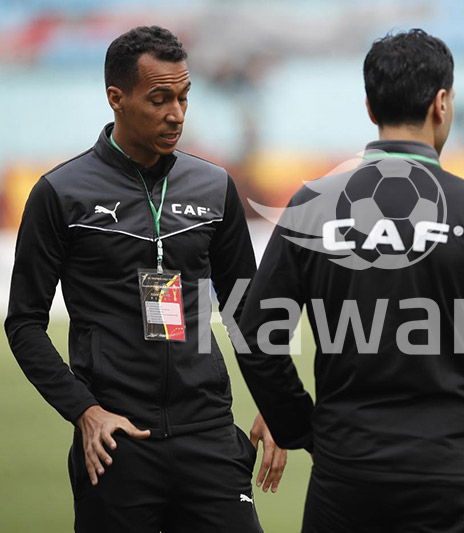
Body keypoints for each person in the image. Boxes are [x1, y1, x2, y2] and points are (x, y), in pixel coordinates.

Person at [234, 29, 464, 532]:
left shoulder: (310, 206)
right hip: (454, 468)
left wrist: (303, 429)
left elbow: (255, 336)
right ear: (442, 103)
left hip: (347, 467)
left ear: (368, 105)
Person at [4, 25, 285, 533]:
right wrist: (85, 411)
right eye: (159, 99)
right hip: (117, 443)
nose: (175, 113)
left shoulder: (214, 185)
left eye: (183, 97)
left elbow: (245, 305)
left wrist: (276, 399)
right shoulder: (60, 194)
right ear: (116, 98)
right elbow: (24, 323)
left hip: (209, 434)